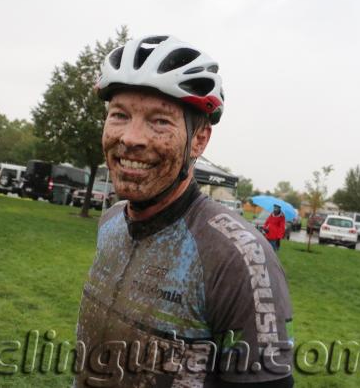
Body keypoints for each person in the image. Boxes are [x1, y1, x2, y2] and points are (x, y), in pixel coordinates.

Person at [74, 36, 294, 387]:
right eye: (120, 115)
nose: (131, 138)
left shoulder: (239, 258)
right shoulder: (112, 220)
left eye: (159, 121)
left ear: (199, 140)